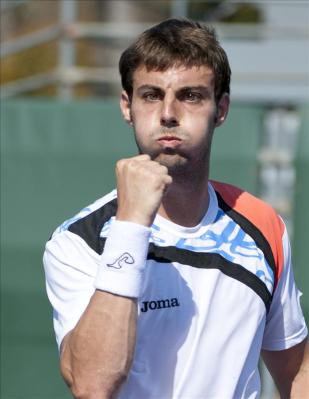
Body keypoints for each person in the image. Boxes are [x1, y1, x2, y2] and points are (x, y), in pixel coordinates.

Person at [43, 18, 309, 399]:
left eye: (190, 95)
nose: (168, 113)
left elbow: (297, 371)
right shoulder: (79, 242)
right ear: (127, 106)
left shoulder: (263, 226)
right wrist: (131, 226)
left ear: (220, 109)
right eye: (151, 95)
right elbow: (93, 384)